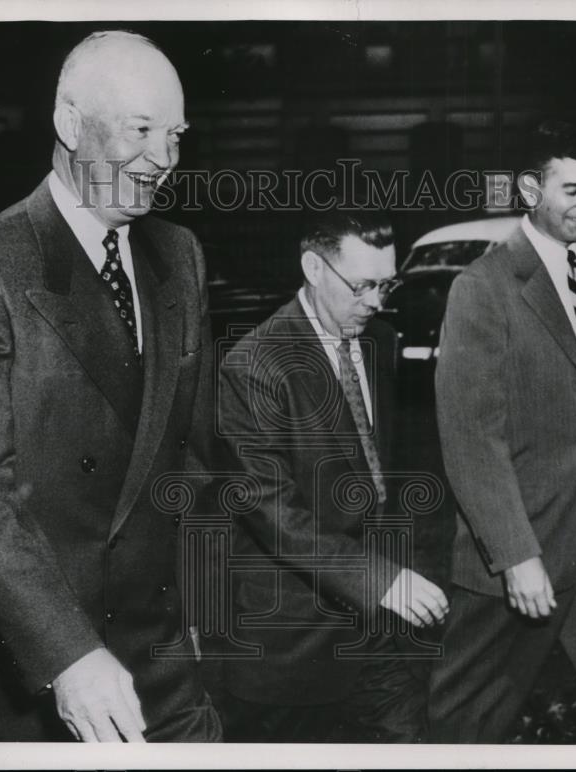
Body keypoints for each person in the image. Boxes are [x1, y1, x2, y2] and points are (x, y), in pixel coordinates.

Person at [0, 30, 221, 742]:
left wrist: (200, 616)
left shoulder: (182, 257)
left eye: (175, 135)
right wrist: (68, 652)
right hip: (25, 671)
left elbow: (194, 462)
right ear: (70, 124)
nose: (163, 160)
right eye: (140, 130)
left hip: (158, 655)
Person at [428, 119, 576, 744]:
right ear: (530, 189)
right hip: (523, 543)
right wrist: (516, 554)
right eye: (573, 189)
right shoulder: (482, 288)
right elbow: (471, 435)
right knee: (466, 725)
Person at [216, 210, 449, 742]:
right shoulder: (254, 364)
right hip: (291, 642)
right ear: (313, 268)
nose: (376, 302)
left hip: (379, 627)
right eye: (363, 285)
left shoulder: (380, 342)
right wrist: (379, 579)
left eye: (386, 283)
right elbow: (274, 513)